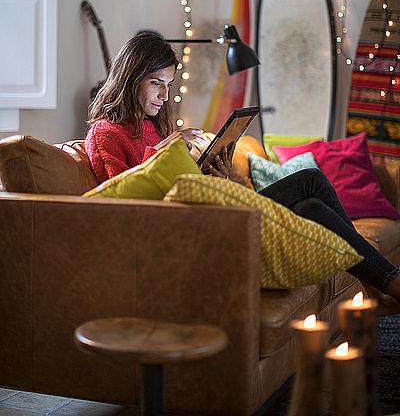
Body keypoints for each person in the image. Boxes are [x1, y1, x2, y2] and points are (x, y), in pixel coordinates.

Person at [85, 32, 400, 313]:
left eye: (168, 85)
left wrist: (217, 180)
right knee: (310, 180)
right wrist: (165, 151)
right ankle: (387, 283)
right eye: (156, 83)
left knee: (312, 206)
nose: (165, 96)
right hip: (185, 229)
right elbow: (123, 205)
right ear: (131, 77)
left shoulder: (150, 124)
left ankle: (379, 284)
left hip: (203, 212)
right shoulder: (105, 132)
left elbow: (174, 182)